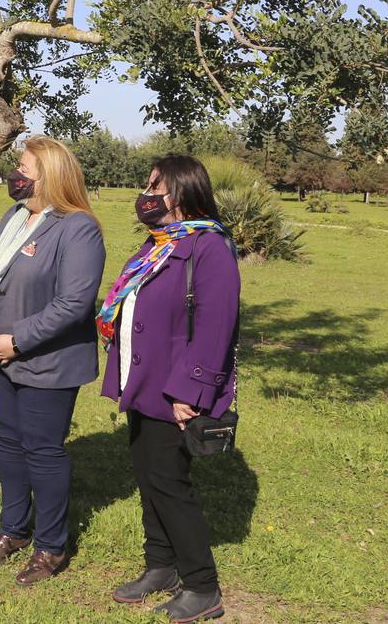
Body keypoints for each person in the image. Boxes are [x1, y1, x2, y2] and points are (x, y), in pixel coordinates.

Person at [98, 154, 240, 623]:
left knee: (170, 485)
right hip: (143, 383)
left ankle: (202, 586)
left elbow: (216, 327)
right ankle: (160, 565)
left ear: (180, 193)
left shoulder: (209, 248)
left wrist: (191, 393)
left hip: (175, 391)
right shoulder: (158, 245)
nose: (146, 194)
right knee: (149, 477)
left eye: (154, 185)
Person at [0, 137, 106, 586]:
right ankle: (13, 530)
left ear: (51, 175)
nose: (15, 173)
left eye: (24, 166)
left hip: (46, 361)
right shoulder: (16, 216)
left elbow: (73, 304)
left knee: (42, 452)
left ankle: (50, 545)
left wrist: (17, 340)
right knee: (8, 446)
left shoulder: (78, 227)